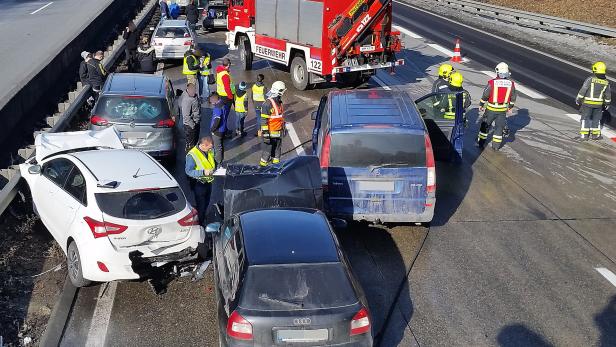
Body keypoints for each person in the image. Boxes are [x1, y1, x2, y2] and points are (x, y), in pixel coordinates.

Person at [477, 62, 517, 151]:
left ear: (498, 71)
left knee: (485, 126)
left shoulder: (492, 83)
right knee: (499, 128)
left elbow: (485, 95)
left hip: (491, 109)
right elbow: (513, 97)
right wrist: (510, 107)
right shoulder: (511, 84)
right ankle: (496, 146)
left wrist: (481, 104)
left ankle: (481, 143)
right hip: (502, 111)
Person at [576, 61, 611, 140]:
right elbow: (608, 95)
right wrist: (607, 104)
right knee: (597, 119)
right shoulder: (606, 82)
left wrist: (578, 99)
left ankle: (584, 136)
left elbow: (583, 90)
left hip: (587, 104)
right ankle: (596, 135)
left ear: (595, 70)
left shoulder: (590, 79)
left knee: (585, 118)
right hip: (598, 105)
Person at [185, 136, 216, 227]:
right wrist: (203, 172)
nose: (211, 149)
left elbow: (211, 160)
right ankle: (200, 224)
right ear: (203, 145)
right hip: (199, 184)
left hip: (208, 182)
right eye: (209, 147)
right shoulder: (192, 155)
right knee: (201, 205)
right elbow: (188, 171)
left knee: (206, 202)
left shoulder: (209, 150)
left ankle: (202, 218)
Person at [260, 81, 287, 166]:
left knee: (277, 153)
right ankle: (262, 168)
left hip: (278, 134)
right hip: (270, 134)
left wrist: (283, 128)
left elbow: (280, 118)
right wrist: (266, 136)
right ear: (280, 91)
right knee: (267, 153)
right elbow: (264, 122)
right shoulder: (267, 104)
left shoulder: (279, 102)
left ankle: (276, 168)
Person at [181, 83, 201, 153]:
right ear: (188, 90)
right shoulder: (187, 100)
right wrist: (193, 126)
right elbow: (186, 116)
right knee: (191, 146)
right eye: (192, 90)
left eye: (195, 90)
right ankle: (190, 159)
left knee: (194, 143)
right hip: (190, 126)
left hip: (195, 123)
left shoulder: (193, 96)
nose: (194, 92)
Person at [216, 58, 235, 126]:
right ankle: (223, 130)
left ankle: (223, 129)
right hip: (226, 96)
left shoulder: (220, 71)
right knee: (225, 114)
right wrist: (231, 97)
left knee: (223, 113)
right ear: (228, 65)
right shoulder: (225, 75)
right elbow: (227, 87)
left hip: (221, 94)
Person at [209, 93, 227, 165]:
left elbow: (217, 120)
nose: (210, 102)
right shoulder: (222, 104)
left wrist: (212, 129)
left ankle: (218, 163)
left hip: (217, 131)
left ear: (214, 99)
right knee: (221, 146)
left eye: (211, 100)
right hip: (223, 129)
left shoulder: (217, 108)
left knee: (217, 148)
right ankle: (221, 160)